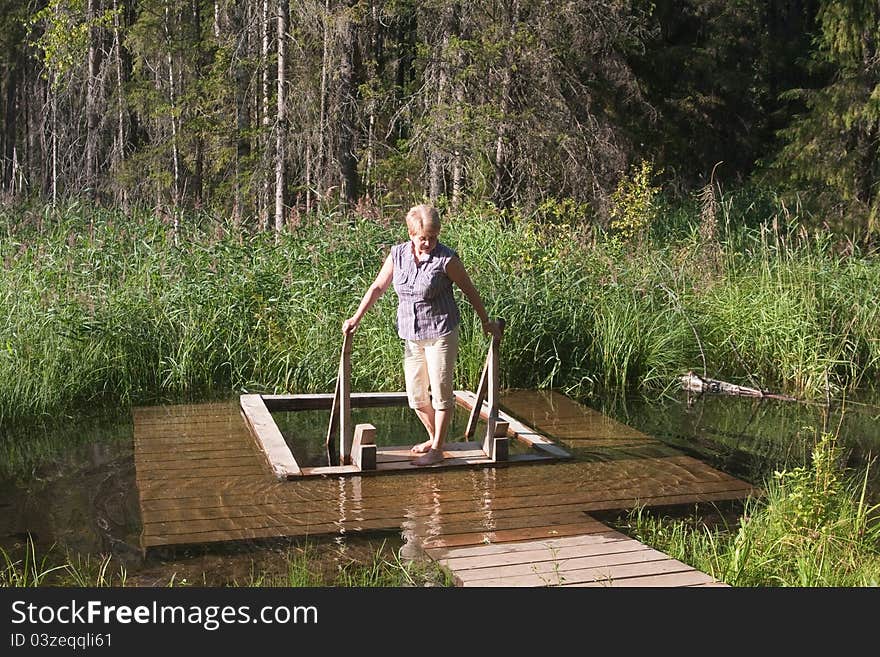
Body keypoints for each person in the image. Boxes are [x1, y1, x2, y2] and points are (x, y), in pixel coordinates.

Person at [342, 204, 501, 466]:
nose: (428, 243)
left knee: (441, 391)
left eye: (433, 237)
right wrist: (356, 317)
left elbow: (469, 290)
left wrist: (485, 321)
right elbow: (378, 287)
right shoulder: (398, 255)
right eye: (422, 237)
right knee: (416, 396)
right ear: (411, 233)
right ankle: (434, 438)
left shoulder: (446, 259)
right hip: (411, 334)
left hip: (441, 332)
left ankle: (437, 449)